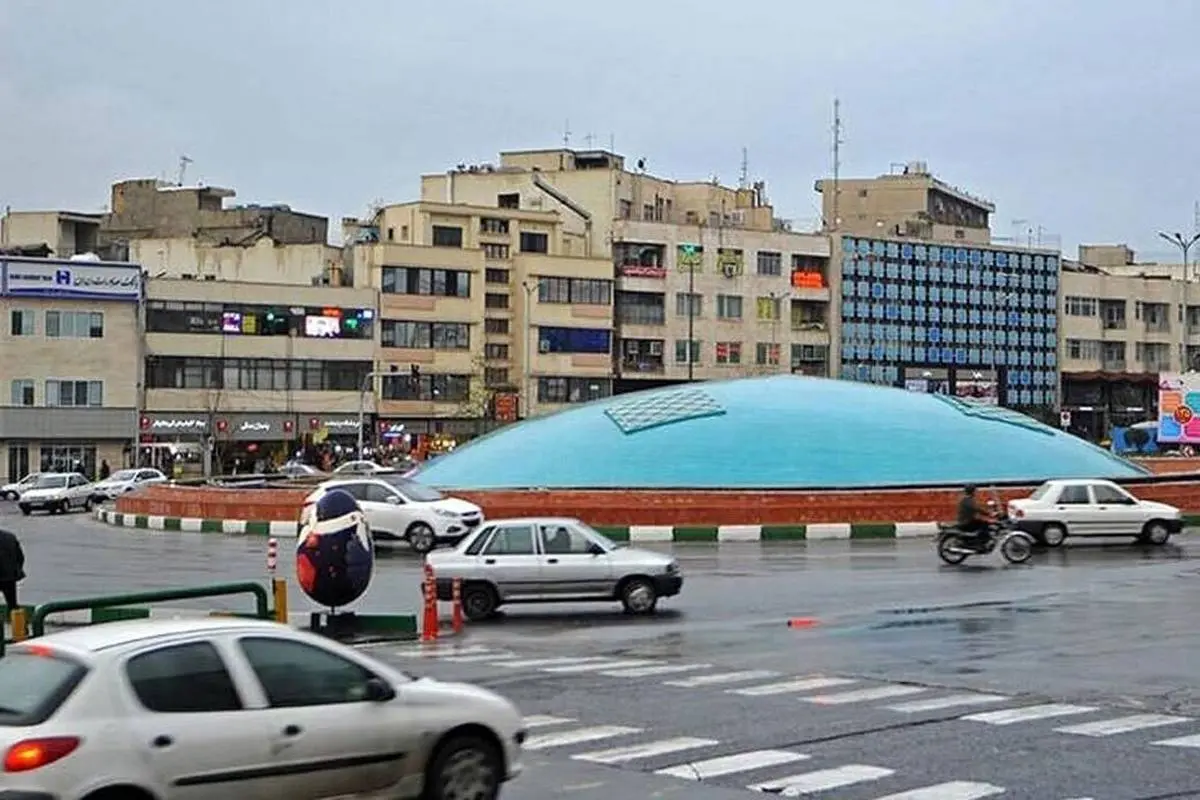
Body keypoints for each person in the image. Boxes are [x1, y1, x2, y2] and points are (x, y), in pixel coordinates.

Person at [956, 485, 996, 551]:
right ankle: (980, 544)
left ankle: (980, 542)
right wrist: (989, 514)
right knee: (985, 524)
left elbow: (977, 509)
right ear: (972, 492)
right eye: (975, 491)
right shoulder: (968, 500)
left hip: (966, 520)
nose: (976, 492)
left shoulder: (966, 499)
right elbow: (977, 509)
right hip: (966, 522)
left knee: (981, 522)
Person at [0, 527, 25, 613]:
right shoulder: (10, 537)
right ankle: (19, 623)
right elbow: (20, 557)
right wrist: (15, 570)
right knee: (12, 604)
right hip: (9, 577)